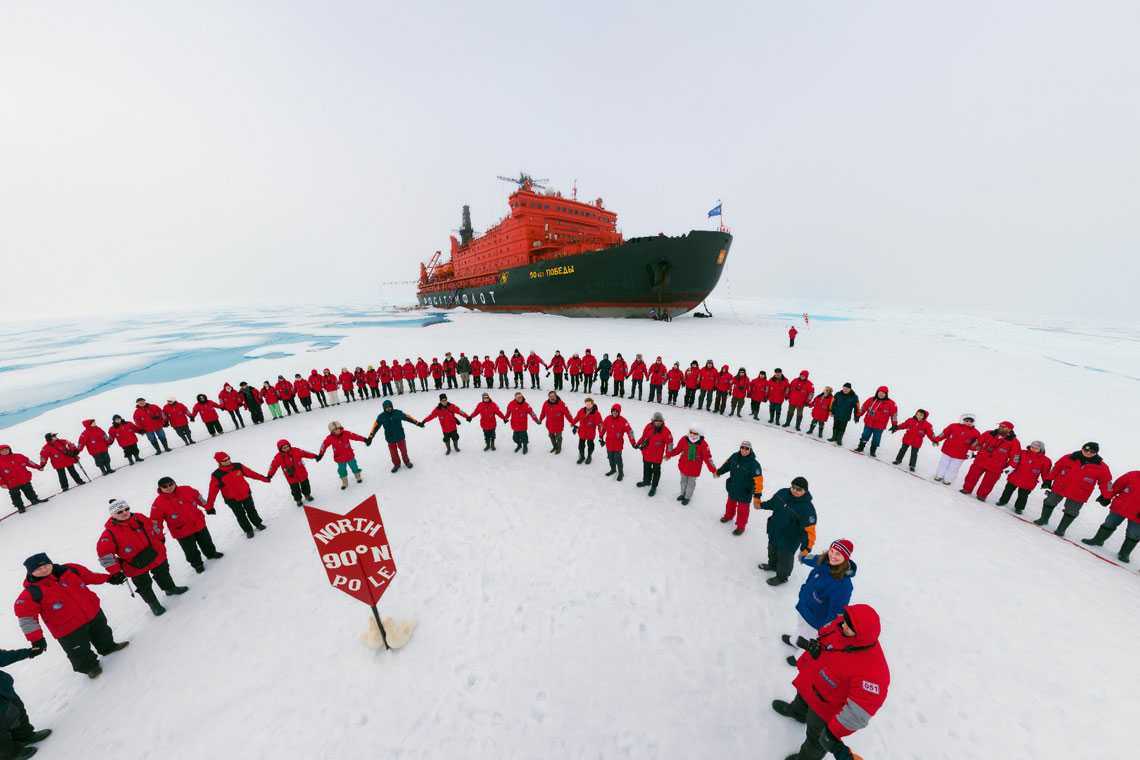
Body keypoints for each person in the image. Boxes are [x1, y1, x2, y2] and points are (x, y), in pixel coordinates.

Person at [772, 604, 890, 760]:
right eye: (845, 621)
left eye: (849, 626)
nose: (843, 625)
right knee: (801, 699)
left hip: (824, 709)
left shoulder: (874, 670)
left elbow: (859, 712)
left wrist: (833, 731)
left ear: (861, 635)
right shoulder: (842, 625)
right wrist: (817, 648)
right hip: (811, 681)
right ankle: (797, 712)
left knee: (816, 740)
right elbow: (826, 634)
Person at [15, 553, 127, 679]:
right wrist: (36, 639)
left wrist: (108, 579)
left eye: (46, 565)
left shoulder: (70, 570)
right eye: (38, 569)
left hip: (92, 613)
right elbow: (27, 619)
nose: (44, 570)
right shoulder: (31, 593)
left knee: (103, 633)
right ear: (31, 572)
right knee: (79, 652)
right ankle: (89, 667)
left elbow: (89, 576)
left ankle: (108, 647)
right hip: (68, 629)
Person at [97, 498, 188, 617]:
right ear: (113, 515)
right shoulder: (109, 533)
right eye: (119, 512)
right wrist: (115, 571)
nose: (124, 513)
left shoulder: (139, 517)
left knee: (163, 573)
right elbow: (105, 555)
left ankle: (170, 588)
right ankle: (154, 604)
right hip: (134, 565)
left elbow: (154, 526)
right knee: (144, 586)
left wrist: (160, 537)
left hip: (155, 555)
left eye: (126, 509)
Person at [781, 540, 856, 665]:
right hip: (805, 606)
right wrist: (803, 557)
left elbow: (837, 611)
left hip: (817, 618)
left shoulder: (844, 585)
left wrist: (827, 627)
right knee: (801, 627)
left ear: (846, 558)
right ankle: (795, 641)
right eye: (832, 551)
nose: (833, 556)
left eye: (838, 554)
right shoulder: (824, 560)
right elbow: (814, 559)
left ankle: (800, 658)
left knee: (810, 638)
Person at [1033, 442, 1112, 536]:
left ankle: (1061, 529)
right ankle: (1043, 519)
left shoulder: (1102, 467)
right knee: (1049, 501)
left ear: (1096, 453)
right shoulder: (1069, 457)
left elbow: (1107, 482)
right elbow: (1056, 468)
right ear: (1082, 448)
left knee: (1071, 511)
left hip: (1080, 492)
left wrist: (1107, 496)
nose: (1088, 453)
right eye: (1086, 450)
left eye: (1092, 451)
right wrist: (1049, 480)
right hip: (1060, 486)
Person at [150, 477, 223, 573]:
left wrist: (208, 507)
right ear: (160, 488)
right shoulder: (158, 503)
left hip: (198, 523)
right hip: (181, 531)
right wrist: (158, 536)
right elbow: (155, 522)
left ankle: (211, 553)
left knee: (206, 541)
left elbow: (199, 498)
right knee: (190, 550)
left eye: (171, 484)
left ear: (174, 483)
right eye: (165, 486)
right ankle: (197, 564)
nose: (169, 487)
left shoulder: (187, 489)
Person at [758, 476, 817, 584]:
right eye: (793, 487)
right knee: (772, 550)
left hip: (790, 539)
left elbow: (809, 532)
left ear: (805, 491)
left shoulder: (807, 508)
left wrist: (806, 548)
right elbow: (773, 503)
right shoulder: (783, 493)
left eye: (799, 489)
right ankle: (772, 565)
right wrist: (761, 505)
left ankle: (782, 577)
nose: (795, 490)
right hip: (775, 531)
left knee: (785, 558)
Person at [0, 639, 51, 759]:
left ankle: (24, 736)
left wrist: (29, 652)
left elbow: (3, 657)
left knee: (18, 710)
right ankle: (10, 754)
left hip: (3, 688)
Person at [205, 452, 271, 538]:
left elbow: (251, 473)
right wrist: (209, 506)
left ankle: (258, 523)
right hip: (232, 499)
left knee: (251, 510)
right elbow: (212, 492)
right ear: (219, 462)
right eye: (224, 460)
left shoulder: (238, 466)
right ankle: (248, 530)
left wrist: (264, 478)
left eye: (228, 458)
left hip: (245, 494)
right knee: (240, 515)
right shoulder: (217, 475)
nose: (228, 461)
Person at [1082, 470, 1140, 562]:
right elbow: (1117, 485)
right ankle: (1098, 540)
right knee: (1108, 523)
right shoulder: (1132, 475)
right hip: (1120, 507)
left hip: (1138, 515)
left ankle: (1124, 553)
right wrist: (1107, 496)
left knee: (1134, 534)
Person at [960, 421, 1020, 501]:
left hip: (996, 466)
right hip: (981, 460)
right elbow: (978, 442)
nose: (1000, 428)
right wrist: (971, 450)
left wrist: (1011, 466)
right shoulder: (988, 433)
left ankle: (982, 495)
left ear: (1009, 429)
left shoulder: (1014, 442)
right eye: (1000, 426)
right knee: (972, 476)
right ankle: (967, 489)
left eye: (1003, 427)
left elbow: (1015, 456)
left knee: (989, 482)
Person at [715, 440, 765, 536]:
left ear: (750, 450)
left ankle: (741, 527)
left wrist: (757, 495)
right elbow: (727, 465)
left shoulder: (754, 464)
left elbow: (759, 481)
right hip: (733, 487)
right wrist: (719, 472)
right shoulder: (734, 456)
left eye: (747, 448)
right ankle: (728, 516)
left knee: (743, 511)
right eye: (742, 448)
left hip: (745, 492)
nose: (744, 450)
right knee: (730, 504)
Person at [997, 441, 1051, 514]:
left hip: (1029, 481)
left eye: (1036, 448)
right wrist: (1008, 467)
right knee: (1008, 490)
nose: (1033, 449)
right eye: (1032, 447)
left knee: (1023, 496)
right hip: (1015, 476)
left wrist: (1046, 482)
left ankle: (1019, 508)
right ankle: (1002, 501)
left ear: (1041, 449)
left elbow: (1046, 473)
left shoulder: (1046, 461)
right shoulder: (1021, 453)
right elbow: (1014, 461)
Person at [368, 401, 424, 472]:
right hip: (390, 438)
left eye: (389, 407)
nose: (388, 409)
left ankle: (407, 462)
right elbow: (375, 427)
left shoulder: (397, 413)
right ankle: (396, 464)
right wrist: (370, 437)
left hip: (400, 436)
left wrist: (417, 423)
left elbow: (408, 418)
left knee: (403, 450)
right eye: (386, 408)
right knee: (393, 453)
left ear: (392, 406)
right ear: (384, 408)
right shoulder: (381, 417)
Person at [665, 426, 715, 505]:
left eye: (695, 433)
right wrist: (669, 455)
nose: (692, 435)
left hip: (694, 469)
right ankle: (682, 494)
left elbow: (708, 458)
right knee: (683, 481)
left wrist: (713, 470)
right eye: (690, 432)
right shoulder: (684, 439)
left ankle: (687, 497)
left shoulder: (703, 444)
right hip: (683, 466)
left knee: (691, 483)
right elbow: (678, 449)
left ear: (699, 434)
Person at [266, 439, 318, 506]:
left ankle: (307, 495)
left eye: (287, 446)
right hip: (291, 476)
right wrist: (270, 475)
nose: (286, 448)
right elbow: (273, 466)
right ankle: (298, 499)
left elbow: (305, 453)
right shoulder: (278, 457)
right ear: (280, 449)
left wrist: (315, 456)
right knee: (295, 489)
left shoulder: (296, 451)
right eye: (284, 448)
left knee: (306, 485)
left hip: (302, 473)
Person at [932, 413, 980, 485]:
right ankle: (939, 475)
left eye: (970, 421)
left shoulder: (976, 433)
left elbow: (976, 444)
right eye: (966, 421)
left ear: (973, 422)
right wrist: (936, 439)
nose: (968, 423)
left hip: (960, 454)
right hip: (947, 450)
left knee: (954, 468)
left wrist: (972, 451)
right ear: (962, 420)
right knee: (943, 464)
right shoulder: (953, 426)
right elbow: (944, 434)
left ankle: (948, 479)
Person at [318, 422, 369, 488]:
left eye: (338, 429)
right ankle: (344, 482)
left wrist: (364, 439)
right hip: (339, 458)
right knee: (342, 470)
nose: (337, 431)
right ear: (332, 431)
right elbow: (324, 445)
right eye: (335, 430)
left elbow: (355, 436)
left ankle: (358, 476)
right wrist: (321, 454)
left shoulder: (346, 433)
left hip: (349, 456)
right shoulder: (330, 438)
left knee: (354, 466)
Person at [634, 412, 673, 496]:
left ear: (662, 421)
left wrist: (668, 454)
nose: (658, 422)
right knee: (646, 469)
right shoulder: (648, 427)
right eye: (656, 421)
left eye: (660, 421)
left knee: (656, 472)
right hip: (646, 454)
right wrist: (638, 443)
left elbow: (670, 444)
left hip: (657, 457)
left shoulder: (666, 431)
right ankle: (646, 481)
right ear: (653, 421)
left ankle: (654, 486)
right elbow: (643, 437)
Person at [853, 386, 897, 457]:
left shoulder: (891, 403)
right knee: (865, 435)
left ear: (886, 394)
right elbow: (863, 407)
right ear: (877, 392)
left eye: (883, 393)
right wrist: (858, 415)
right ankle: (860, 447)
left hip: (879, 426)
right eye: (880, 392)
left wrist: (894, 424)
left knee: (876, 439)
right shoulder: (871, 399)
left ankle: (872, 451)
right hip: (868, 423)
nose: (881, 394)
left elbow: (894, 415)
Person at [0, 446, 44, 513]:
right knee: (15, 495)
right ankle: (20, 507)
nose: (5, 451)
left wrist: (38, 467)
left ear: (9, 449)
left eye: (6, 449)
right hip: (11, 482)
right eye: (2, 450)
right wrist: (1, 483)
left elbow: (29, 462)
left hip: (24, 479)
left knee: (29, 490)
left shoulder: (18, 456)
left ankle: (34, 500)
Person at [600, 403, 636, 480]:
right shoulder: (607, 419)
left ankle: (621, 473)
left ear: (619, 412)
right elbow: (603, 428)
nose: (614, 413)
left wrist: (633, 442)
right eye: (613, 411)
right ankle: (613, 469)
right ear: (611, 411)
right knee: (610, 458)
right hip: (609, 444)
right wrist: (601, 436)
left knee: (618, 459)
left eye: (616, 411)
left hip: (618, 445)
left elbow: (630, 432)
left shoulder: (623, 421)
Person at [571, 398, 603, 464]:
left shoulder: (596, 414)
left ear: (592, 404)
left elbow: (600, 425)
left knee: (590, 445)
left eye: (589, 404)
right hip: (582, 432)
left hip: (590, 433)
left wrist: (601, 434)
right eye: (586, 404)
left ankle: (589, 456)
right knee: (580, 446)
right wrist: (573, 422)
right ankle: (582, 456)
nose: (588, 405)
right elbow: (577, 417)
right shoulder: (581, 410)